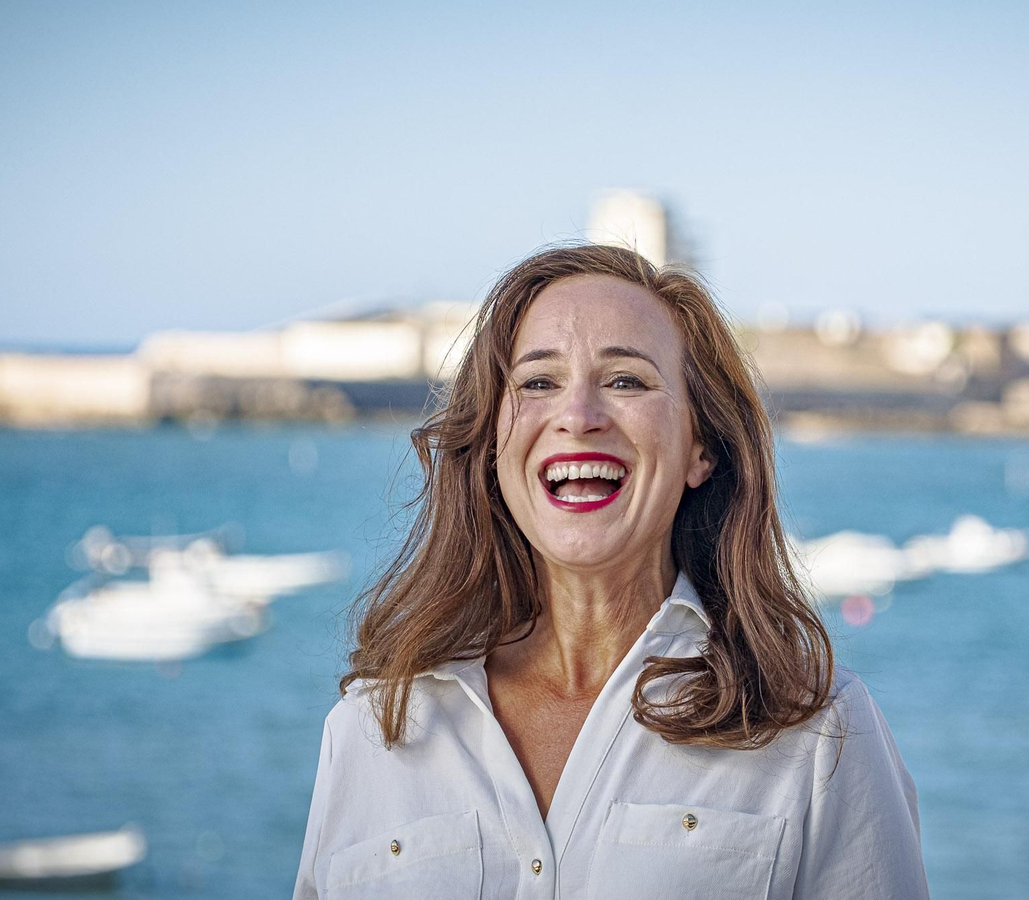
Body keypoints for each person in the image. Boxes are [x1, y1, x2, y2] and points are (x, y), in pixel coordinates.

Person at [293, 244, 929, 899]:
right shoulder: (370, 727)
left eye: (626, 380)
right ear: (490, 445)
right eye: (538, 382)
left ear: (700, 448)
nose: (578, 416)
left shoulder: (815, 727)